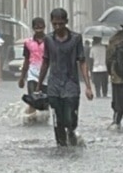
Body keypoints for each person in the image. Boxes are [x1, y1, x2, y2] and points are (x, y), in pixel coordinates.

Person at [36, 8, 93, 146]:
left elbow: (82, 61)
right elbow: (45, 61)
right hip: (54, 85)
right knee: (58, 120)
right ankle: (61, 146)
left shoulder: (76, 39)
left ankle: (71, 132)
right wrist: (39, 85)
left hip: (71, 84)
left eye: (61, 24)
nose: (58, 27)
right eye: (55, 24)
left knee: (71, 118)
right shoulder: (48, 39)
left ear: (66, 22)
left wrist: (88, 86)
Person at [17, 17, 46, 115]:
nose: (39, 29)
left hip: (46, 75)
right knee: (33, 99)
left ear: (44, 27)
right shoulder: (28, 43)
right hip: (32, 75)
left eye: (41, 27)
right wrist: (22, 78)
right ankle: (31, 117)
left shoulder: (49, 41)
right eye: (36, 27)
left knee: (45, 101)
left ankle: (43, 118)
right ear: (33, 28)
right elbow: (26, 60)